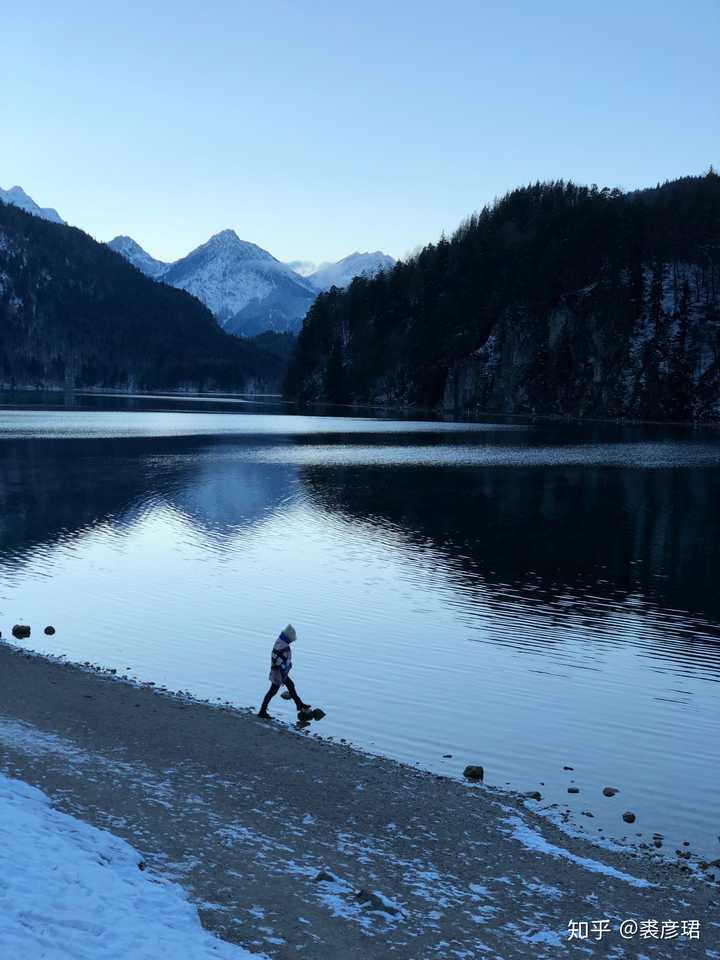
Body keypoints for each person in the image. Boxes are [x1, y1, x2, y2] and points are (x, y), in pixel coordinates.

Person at [258, 624, 310, 719]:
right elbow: (277, 660)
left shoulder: (280, 642)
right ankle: (262, 711)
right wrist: (282, 673)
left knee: (290, 685)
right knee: (272, 692)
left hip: (280, 672)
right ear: (288, 637)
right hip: (278, 673)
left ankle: (299, 704)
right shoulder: (282, 646)